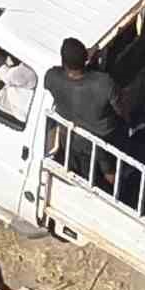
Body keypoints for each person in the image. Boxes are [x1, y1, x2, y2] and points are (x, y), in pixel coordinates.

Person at [44, 37, 124, 182]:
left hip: (71, 138)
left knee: (88, 176)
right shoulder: (104, 82)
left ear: (63, 61)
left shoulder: (51, 77)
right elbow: (121, 109)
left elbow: (59, 75)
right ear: (86, 57)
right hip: (102, 139)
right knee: (110, 171)